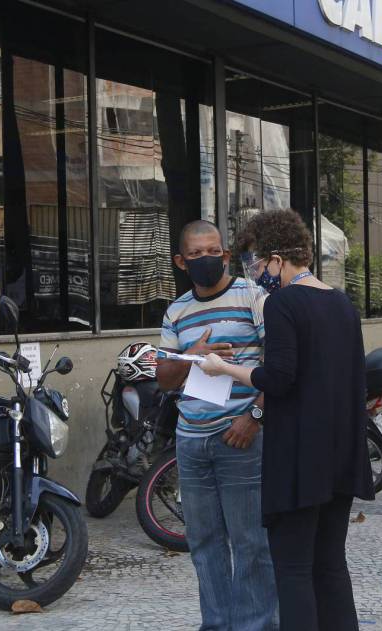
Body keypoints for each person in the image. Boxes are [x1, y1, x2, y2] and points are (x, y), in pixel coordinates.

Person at [200, 209, 374, 630]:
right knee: (330, 565)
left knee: (293, 568)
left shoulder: (282, 304)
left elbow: (277, 378)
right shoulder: (341, 303)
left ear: (278, 258)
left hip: (300, 457)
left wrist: (223, 369)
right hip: (342, 455)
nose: (256, 274)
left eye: (258, 264)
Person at [155, 219, 277, 631]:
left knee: (251, 544)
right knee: (204, 545)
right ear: (181, 261)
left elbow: (278, 367)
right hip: (191, 442)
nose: (206, 260)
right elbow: (165, 378)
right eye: (195, 254)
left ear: (226, 255)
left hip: (241, 439)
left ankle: (257, 625)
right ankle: (218, 624)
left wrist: (254, 418)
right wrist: (193, 351)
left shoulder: (253, 297)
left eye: (213, 252)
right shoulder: (177, 311)